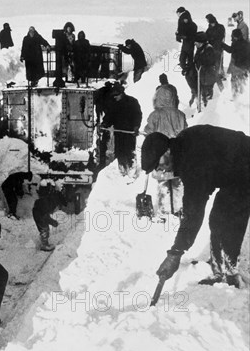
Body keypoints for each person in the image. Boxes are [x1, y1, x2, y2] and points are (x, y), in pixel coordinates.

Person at [141, 126, 250, 289]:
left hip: (244, 172)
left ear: (167, 152)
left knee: (227, 220)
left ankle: (230, 275)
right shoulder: (184, 144)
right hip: (235, 173)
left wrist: (176, 252)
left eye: (159, 164)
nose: (160, 170)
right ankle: (220, 270)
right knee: (217, 219)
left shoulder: (191, 161)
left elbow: (193, 213)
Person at [144, 74, 187, 217]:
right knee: (176, 181)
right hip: (178, 152)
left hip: (160, 152)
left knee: (163, 182)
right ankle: (178, 209)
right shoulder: (180, 114)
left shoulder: (155, 115)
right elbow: (185, 132)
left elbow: (148, 132)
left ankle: (164, 210)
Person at [101, 82, 143, 176]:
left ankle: (132, 172)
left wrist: (136, 126)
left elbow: (138, 115)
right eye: (113, 95)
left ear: (122, 93)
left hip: (130, 133)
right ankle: (122, 172)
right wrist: (104, 124)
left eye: (116, 95)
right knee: (119, 152)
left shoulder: (133, 102)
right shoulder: (114, 104)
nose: (114, 97)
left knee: (129, 152)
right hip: (119, 132)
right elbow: (109, 116)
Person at [32, 180, 67, 251]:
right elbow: (45, 216)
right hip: (38, 212)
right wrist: (52, 222)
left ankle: (44, 242)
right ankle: (44, 245)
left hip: (40, 210)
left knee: (45, 227)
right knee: (44, 228)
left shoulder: (51, 199)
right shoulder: (50, 202)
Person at [185, 32, 217, 107]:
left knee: (206, 98)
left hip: (206, 77)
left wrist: (201, 64)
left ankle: (205, 110)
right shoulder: (200, 48)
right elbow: (197, 61)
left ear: (201, 42)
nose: (195, 44)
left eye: (196, 42)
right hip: (201, 76)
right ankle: (199, 105)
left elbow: (209, 62)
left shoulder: (208, 48)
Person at [222, 28, 250, 98]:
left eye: (232, 36)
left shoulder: (236, 43)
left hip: (237, 66)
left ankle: (235, 96)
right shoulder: (247, 43)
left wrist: (222, 45)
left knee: (234, 82)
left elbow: (230, 50)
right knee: (243, 82)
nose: (232, 37)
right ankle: (242, 97)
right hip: (245, 67)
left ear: (235, 36)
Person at [205, 14, 226, 85]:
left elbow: (221, 37)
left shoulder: (220, 27)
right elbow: (206, 36)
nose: (207, 21)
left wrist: (212, 39)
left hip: (218, 47)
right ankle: (217, 74)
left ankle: (220, 75)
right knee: (214, 62)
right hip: (212, 48)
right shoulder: (209, 28)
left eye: (207, 19)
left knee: (219, 61)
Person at [176, 7, 197, 73]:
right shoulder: (188, 17)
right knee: (190, 55)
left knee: (184, 54)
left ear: (179, 12)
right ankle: (189, 67)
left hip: (187, 40)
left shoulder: (182, 18)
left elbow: (181, 29)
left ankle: (185, 68)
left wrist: (178, 35)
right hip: (191, 40)